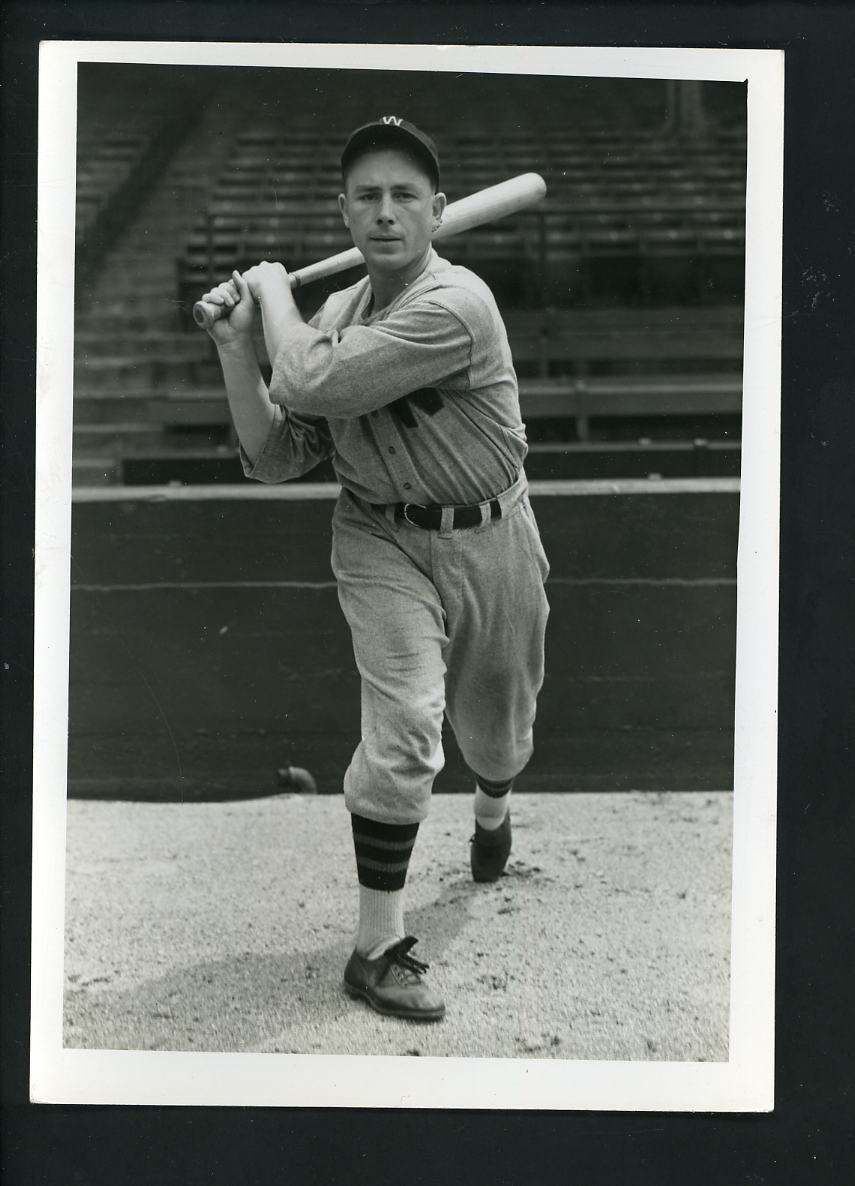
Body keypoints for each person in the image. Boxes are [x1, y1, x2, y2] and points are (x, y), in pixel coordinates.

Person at [200, 116, 550, 1022]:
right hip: (379, 538)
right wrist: (239, 349)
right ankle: (377, 947)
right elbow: (280, 454)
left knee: (497, 738)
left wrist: (270, 293)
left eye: (404, 196)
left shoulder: (457, 302)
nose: (385, 212)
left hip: (490, 535)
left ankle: (492, 808)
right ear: (344, 211)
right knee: (403, 731)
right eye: (366, 196)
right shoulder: (333, 317)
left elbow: (313, 381)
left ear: (437, 212)